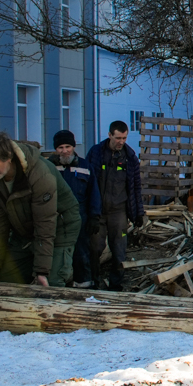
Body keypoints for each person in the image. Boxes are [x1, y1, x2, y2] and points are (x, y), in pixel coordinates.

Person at [0, 129, 81, 287]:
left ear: (8, 157)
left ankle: (64, 281)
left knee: (51, 283)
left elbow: (45, 224)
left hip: (59, 227)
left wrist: (42, 271)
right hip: (24, 230)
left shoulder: (40, 174)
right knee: (7, 280)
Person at [86, 121, 145, 291]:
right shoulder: (96, 153)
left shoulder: (130, 157)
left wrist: (139, 213)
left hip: (119, 211)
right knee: (95, 248)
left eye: (124, 138)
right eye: (118, 138)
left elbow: (135, 187)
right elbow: (87, 183)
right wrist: (89, 212)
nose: (121, 141)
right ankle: (93, 281)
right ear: (110, 135)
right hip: (98, 211)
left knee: (119, 250)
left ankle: (116, 284)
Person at [50, 130, 101, 288]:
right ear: (55, 149)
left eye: (68, 146)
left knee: (82, 253)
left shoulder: (85, 166)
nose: (65, 151)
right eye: (60, 147)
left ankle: (84, 287)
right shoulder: (49, 167)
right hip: (56, 220)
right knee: (58, 255)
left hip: (80, 219)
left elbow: (94, 193)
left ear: (73, 146)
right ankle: (59, 286)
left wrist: (95, 217)